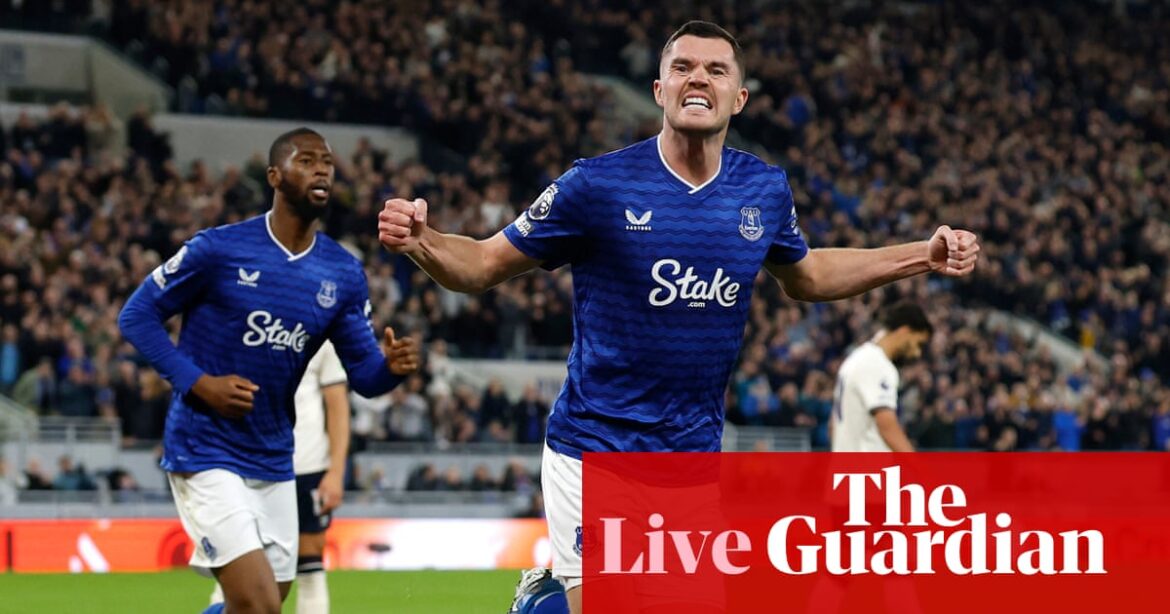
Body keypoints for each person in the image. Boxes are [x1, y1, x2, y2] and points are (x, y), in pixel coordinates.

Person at [378, 21, 980, 614]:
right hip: (596, 448)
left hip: (689, 461)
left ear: (739, 97)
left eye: (716, 70)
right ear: (659, 89)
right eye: (682, 67)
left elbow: (810, 275)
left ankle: (544, 604)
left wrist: (920, 256)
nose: (698, 79)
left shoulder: (763, 190)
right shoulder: (598, 184)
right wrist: (423, 240)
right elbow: (483, 263)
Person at [119, 127, 419, 614]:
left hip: (275, 456)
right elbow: (136, 315)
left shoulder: (342, 272)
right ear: (275, 177)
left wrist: (391, 369)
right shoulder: (219, 249)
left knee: (262, 603)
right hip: (205, 447)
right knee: (259, 604)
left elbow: (364, 376)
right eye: (307, 161)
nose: (321, 170)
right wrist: (199, 384)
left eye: (327, 162)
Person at [209, 341, 350, 613]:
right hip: (244, 461)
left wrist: (336, 472)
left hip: (306, 464)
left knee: (310, 563)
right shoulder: (239, 326)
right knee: (235, 568)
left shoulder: (322, 331)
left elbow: (337, 404)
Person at [831, 302, 933, 453]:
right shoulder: (877, 364)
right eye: (918, 343)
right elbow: (886, 425)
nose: (917, 353)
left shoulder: (857, 358)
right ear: (904, 331)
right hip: (867, 465)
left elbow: (832, 425)